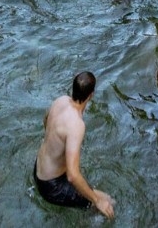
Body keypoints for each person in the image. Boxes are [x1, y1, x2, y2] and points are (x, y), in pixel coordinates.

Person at [34, 71, 115, 218]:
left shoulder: (61, 100)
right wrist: (97, 201)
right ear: (91, 95)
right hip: (52, 187)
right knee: (108, 203)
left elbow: (46, 120)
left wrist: (56, 147)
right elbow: (72, 175)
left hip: (38, 168)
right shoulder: (77, 125)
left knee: (99, 197)